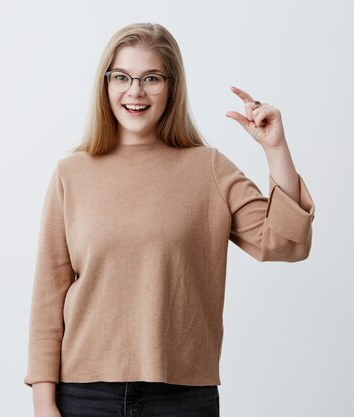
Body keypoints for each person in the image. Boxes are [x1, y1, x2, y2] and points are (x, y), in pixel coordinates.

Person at [23, 22, 315, 417]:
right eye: (122, 77)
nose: (135, 91)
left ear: (172, 87)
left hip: (181, 398)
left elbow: (285, 243)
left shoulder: (208, 168)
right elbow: (48, 296)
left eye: (151, 78)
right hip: (83, 396)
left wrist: (275, 148)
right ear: (105, 84)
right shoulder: (71, 174)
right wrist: (43, 403)